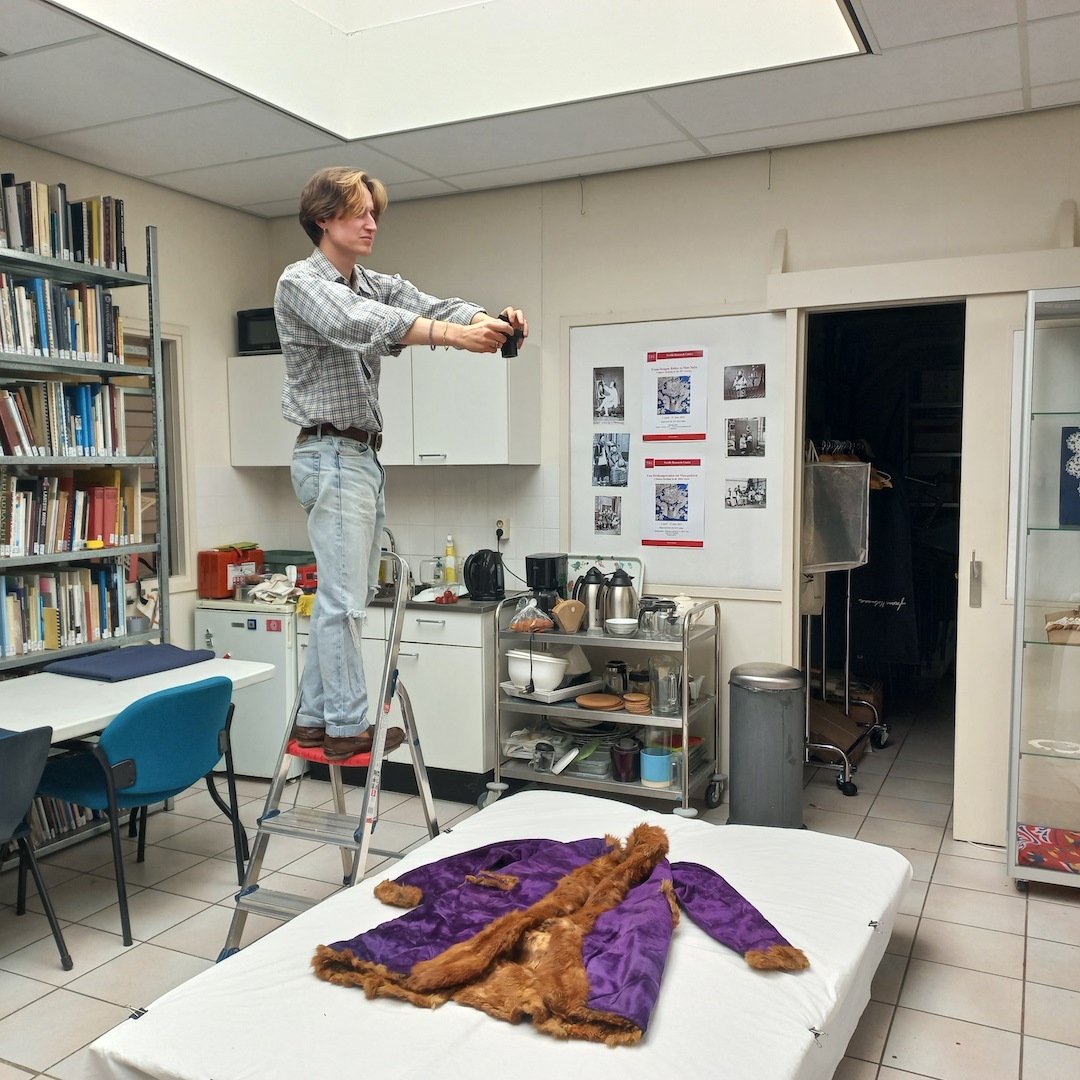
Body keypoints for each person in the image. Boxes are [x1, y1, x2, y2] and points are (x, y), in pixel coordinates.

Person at [275, 167, 527, 759]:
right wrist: (446, 335)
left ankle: (313, 719)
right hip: (330, 452)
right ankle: (343, 727)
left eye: (374, 214)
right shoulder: (300, 282)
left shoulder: (368, 280)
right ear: (324, 219)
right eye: (360, 212)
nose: (371, 223)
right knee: (342, 603)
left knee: (348, 597)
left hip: (358, 456)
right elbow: (355, 322)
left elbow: (427, 303)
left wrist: (485, 322)